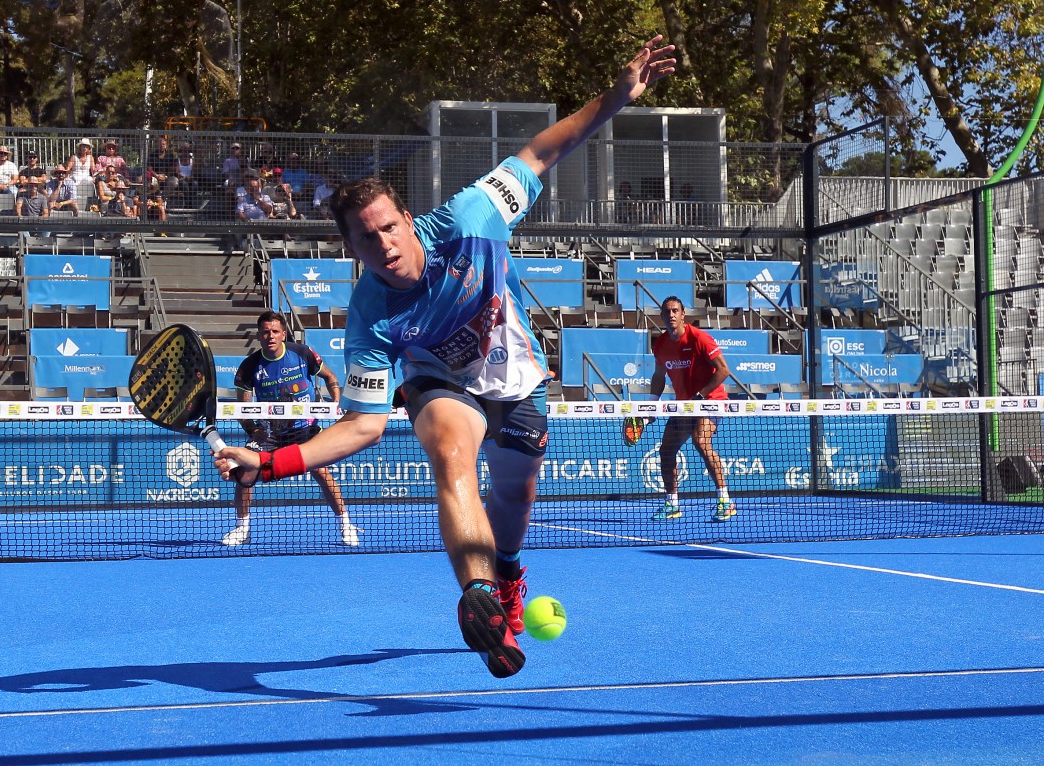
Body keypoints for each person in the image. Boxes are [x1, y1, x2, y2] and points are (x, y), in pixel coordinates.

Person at [213, 36, 678, 679]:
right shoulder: (371, 315)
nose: (383, 245)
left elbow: (545, 151)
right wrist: (267, 465)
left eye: (388, 227)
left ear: (407, 218)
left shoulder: (473, 213)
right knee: (452, 455)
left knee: (516, 497)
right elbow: (363, 424)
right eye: (366, 239)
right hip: (442, 383)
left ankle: (506, 577)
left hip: (518, 378)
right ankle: (477, 594)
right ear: (352, 250)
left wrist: (617, 98)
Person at [222, 311, 358, 548]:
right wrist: (254, 431)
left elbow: (330, 377)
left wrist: (336, 405)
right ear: (259, 335)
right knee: (245, 473)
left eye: (275, 331)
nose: (270, 336)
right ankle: (242, 528)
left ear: (283, 334)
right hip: (270, 433)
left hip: (304, 429)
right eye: (265, 332)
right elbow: (242, 409)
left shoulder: (302, 354)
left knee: (322, 472)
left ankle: (345, 524)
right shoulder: (249, 367)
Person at [647, 295, 736, 523]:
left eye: (675, 310)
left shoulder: (699, 338)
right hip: (684, 404)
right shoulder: (660, 344)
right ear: (661, 316)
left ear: (683, 314)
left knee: (700, 441)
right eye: (667, 311)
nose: (671, 315)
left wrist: (700, 396)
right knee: (666, 451)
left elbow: (724, 370)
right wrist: (651, 405)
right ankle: (672, 504)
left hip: (711, 400)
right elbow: (658, 376)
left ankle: (725, 500)